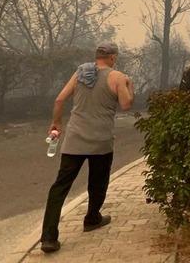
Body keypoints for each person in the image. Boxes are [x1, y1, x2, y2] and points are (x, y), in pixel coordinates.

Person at [40, 43, 134, 253]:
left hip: (74, 140)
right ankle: (92, 218)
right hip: (101, 141)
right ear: (112, 57)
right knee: (98, 182)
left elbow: (59, 100)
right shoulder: (118, 77)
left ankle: (48, 238)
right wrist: (130, 85)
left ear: (97, 56)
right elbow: (126, 104)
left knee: (60, 187)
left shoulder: (81, 73)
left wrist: (56, 123)